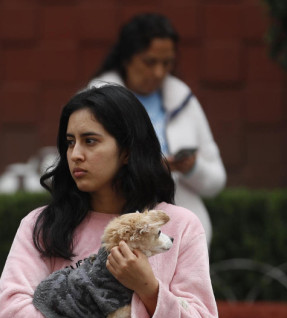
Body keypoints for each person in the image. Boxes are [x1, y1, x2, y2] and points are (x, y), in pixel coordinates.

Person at [0, 85, 218, 318]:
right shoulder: (40, 225)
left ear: (127, 150)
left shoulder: (177, 226)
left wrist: (147, 287)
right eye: (70, 142)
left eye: (90, 141)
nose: (75, 154)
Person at [88, 13, 226, 246]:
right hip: (113, 236)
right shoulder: (95, 100)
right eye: (150, 62)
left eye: (167, 63)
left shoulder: (183, 100)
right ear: (126, 58)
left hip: (180, 238)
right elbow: (75, 169)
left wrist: (192, 168)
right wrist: (146, 169)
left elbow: (216, 181)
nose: (159, 72)